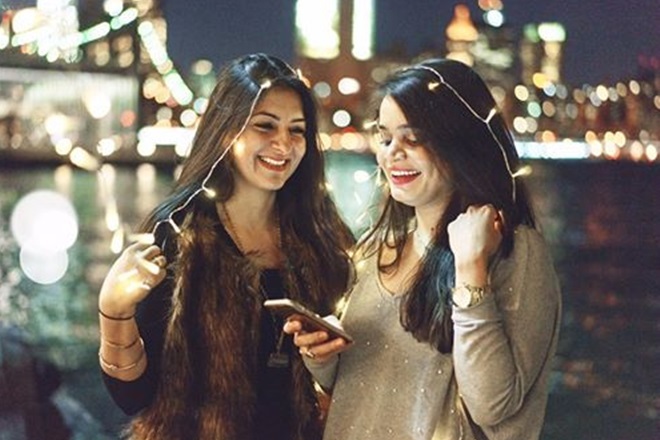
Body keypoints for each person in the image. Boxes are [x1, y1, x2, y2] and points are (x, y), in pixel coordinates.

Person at [285, 58, 562, 440]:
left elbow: (492, 404)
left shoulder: (514, 251)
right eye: (385, 138)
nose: (392, 153)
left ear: (460, 144)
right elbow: (367, 387)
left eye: (412, 138)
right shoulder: (374, 251)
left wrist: (470, 269)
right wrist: (323, 358)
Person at [97, 53, 355, 440]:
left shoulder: (324, 237)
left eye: (297, 130)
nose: (283, 144)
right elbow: (134, 396)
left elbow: (353, 374)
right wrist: (113, 310)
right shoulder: (179, 233)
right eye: (265, 126)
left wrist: (330, 361)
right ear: (225, 130)